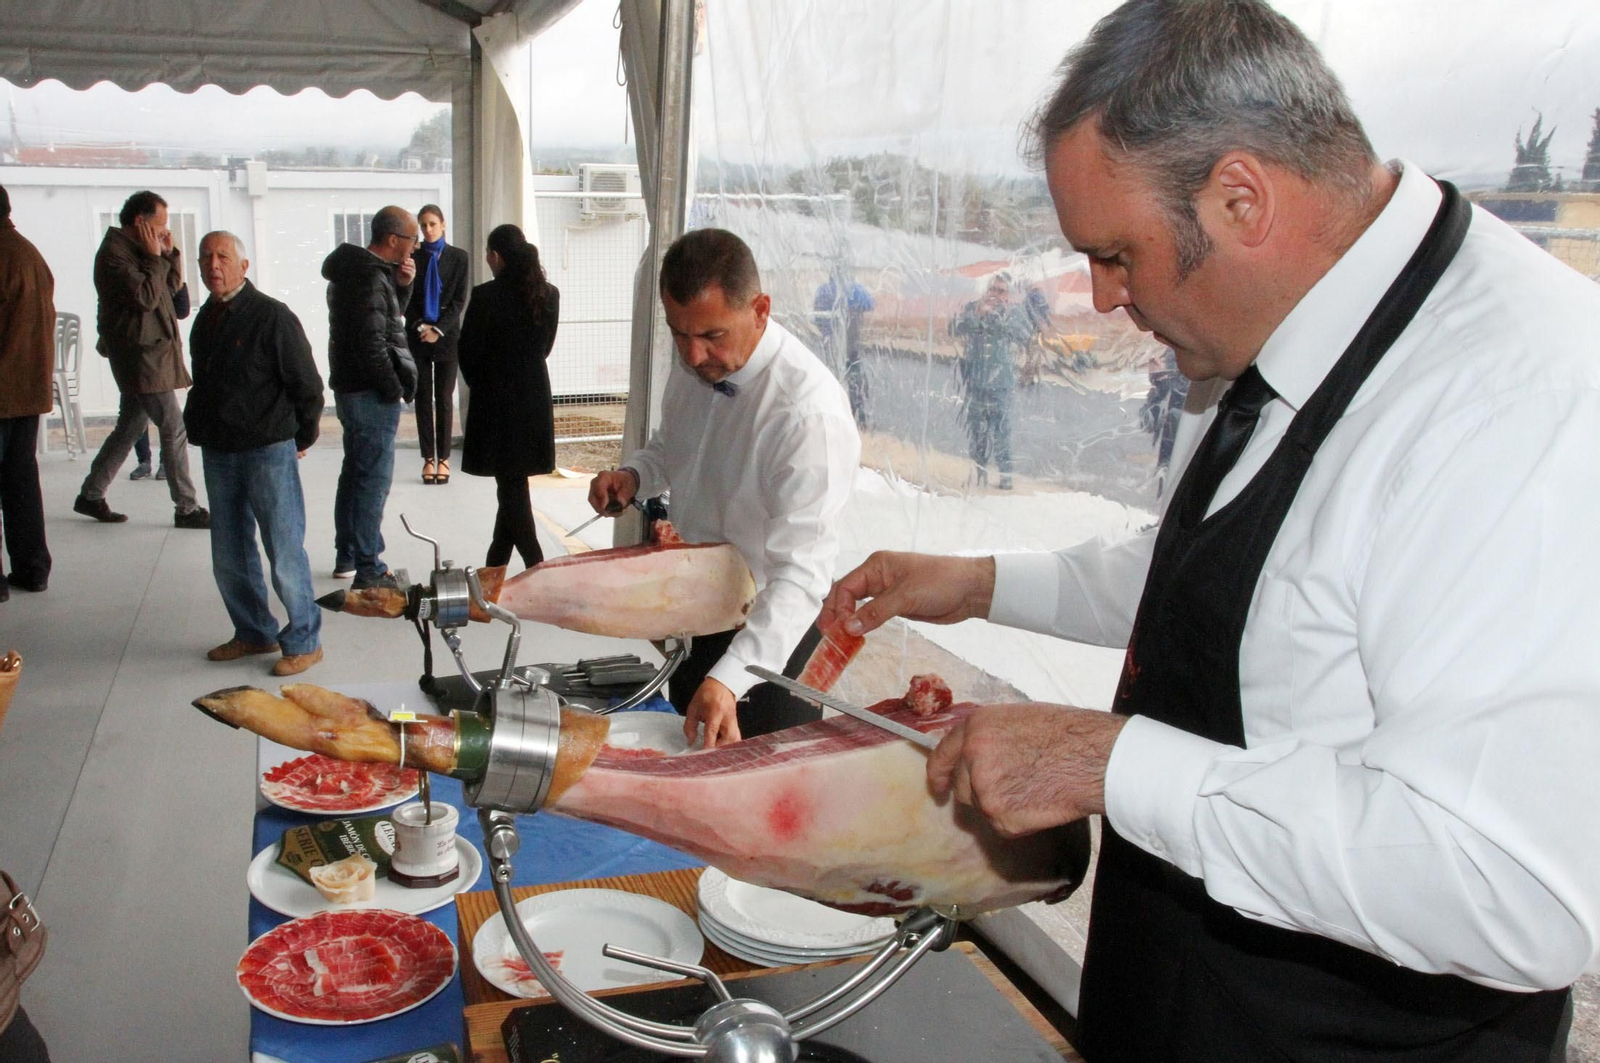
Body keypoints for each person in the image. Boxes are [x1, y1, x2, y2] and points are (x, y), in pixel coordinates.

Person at [819, 1, 1600, 1059]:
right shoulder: (1274, 328)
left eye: (1118, 255)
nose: (1100, 298)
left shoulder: (1517, 401)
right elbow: (1218, 574)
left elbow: (1508, 887)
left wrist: (1108, 763)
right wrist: (975, 581)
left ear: (1241, 198)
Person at [588, 228, 860, 749]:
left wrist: (731, 677)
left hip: (770, 633)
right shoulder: (698, 360)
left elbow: (801, 579)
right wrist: (635, 476)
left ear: (760, 309)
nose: (692, 356)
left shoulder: (808, 416)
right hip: (697, 615)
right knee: (682, 765)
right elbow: (673, 446)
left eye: (712, 336)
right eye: (678, 334)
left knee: (756, 795)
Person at [185, 231, 326, 676]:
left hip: (267, 449)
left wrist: (298, 437)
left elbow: (307, 385)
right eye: (206, 257)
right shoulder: (205, 318)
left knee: (284, 549)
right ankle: (253, 632)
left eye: (223, 257)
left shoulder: (272, 317)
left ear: (244, 266)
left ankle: (304, 640)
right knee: (229, 553)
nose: (214, 266)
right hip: (220, 451)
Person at [73, 190, 209, 529]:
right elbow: (147, 299)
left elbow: (171, 291)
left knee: (130, 426)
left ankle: (91, 494)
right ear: (139, 221)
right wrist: (153, 258)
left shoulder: (139, 251)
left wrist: (168, 254)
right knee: (173, 426)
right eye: (159, 224)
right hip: (140, 357)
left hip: (152, 353)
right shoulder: (114, 255)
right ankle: (187, 508)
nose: (163, 230)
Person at [323, 205, 418, 589]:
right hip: (370, 392)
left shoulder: (356, 271)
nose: (414, 248)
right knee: (372, 480)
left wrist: (403, 287)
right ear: (393, 239)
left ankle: (347, 554)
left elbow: (386, 321)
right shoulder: (368, 278)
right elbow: (374, 342)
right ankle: (369, 568)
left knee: (355, 473)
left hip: (350, 387)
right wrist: (393, 389)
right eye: (411, 240)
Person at [457, 224, 559, 570]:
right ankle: (493, 570)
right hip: (533, 401)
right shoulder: (549, 294)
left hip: (495, 405)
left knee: (511, 489)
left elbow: (467, 354)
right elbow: (544, 349)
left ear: (495, 256)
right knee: (513, 489)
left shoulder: (484, 296)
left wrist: (484, 385)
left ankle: (537, 569)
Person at [0, 184, 55, 602]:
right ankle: (33, 568)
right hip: (28, 388)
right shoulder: (28, 252)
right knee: (20, 480)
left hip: (3, 388)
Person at [404, 203, 469, 485]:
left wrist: (438, 330)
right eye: (423, 225)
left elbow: (458, 301)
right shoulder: (412, 257)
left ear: (443, 224)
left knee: (443, 398)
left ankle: (443, 458)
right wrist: (422, 327)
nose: (428, 230)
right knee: (422, 398)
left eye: (432, 224)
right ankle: (427, 458)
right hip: (418, 335)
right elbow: (405, 298)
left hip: (446, 338)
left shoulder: (458, 257)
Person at [950, 272, 1030, 490]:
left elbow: (1024, 335)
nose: (995, 294)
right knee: (977, 432)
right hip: (975, 380)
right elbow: (954, 328)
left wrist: (999, 316)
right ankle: (979, 474)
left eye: (1001, 291)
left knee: (1001, 431)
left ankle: (1006, 478)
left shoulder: (1013, 313)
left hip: (1001, 384)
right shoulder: (973, 307)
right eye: (992, 289)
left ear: (1008, 295)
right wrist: (977, 314)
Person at [129, 281, 190, 482]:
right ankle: (144, 460)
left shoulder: (164, 270)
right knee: (134, 417)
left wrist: (178, 282)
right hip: (137, 351)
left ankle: (165, 462)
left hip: (160, 354)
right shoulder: (137, 272)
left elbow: (182, 310)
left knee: (164, 418)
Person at [812, 269, 875, 428]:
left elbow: (816, 316)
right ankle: (859, 418)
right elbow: (870, 304)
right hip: (850, 345)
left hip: (829, 345)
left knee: (830, 379)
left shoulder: (822, 291)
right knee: (856, 380)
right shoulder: (853, 290)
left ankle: (831, 416)